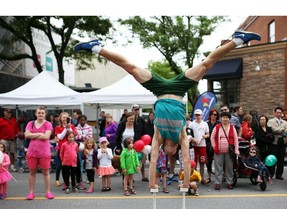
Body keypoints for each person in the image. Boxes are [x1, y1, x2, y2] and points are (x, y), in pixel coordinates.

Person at [74, 29, 261, 190]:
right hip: (179, 88)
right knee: (206, 65)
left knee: (131, 68)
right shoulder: (181, 137)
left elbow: (153, 161)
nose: (171, 155)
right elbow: (186, 161)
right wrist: (186, 182)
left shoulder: (158, 136)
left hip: (159, 90)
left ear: (165, 148)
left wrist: (151, 184)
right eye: (173, 154)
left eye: (169, 154)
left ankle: (95, 48)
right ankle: (238, 39)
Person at [24, 106, 54, 200]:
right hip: (32, 152)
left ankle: (48, 192)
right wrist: (40, 134)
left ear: (45, 114)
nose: (41, 114)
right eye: (39, 113)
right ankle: (31, 192)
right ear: (36, 114)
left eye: (42, 113)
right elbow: (26, 135)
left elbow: (46, 137)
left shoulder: (48, 124)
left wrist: (33, 135)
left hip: (44, 152)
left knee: (46, 172)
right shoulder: (30, 123)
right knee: (32, 172)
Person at [210, 111, 240, 190]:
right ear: (221, 118)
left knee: (229, 167)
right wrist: (214, 146)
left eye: (226, 118)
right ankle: (217, 183)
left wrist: (236, 149)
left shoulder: (232, 127)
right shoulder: (217, 127)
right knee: (218, 167)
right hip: (218, 151)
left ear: (229, 119)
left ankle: (229, 182)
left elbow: (236, 139)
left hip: (229, 151)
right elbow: (212, 137)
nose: (225, 119)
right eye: (223, 117)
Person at [55, 112, 77, 190]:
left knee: (70, 167)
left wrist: (69, 127)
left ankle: (68, 182)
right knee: (60, 166)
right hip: (62, 149)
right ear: (60, 118)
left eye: (66, 117)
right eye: (63, 117)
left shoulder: (73, 126)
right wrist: (65, 128)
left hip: (70, 150)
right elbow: (60, 137)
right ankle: (58, 179)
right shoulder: (58, 127)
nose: (65, 119)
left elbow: (74, 135)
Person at [267, 106, 287, 180]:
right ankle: (270, 173)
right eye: (277, 112)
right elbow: (272, 130)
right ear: (274, 113)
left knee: (281, 159)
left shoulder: (285, 122)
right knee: (272, 158)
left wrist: (281, 131)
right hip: (274, 142)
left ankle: (279, 174)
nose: (279, 114)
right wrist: (281, 130)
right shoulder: (270, 121)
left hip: (282, 141)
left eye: (280, 113)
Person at [189, 108, 210, 184]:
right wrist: (193, 140)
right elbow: (189, 134)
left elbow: (208, 134)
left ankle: (201, 178)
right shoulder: (192, 124)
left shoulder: (205, 124)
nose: (198, 116)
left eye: (199, 115)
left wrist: (205, 136)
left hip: (202, 145)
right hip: (194, 146)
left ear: (202, 115)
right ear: (195, 116)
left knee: (202, 162)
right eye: (196, 115)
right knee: (194, 163)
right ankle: (194, 178)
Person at [131, 104, 148, 182]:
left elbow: (145, 130)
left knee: (142, 160)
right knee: (132, 160)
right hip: (132, 142)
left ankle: (143, 176)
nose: (136, 111)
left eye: (137, 109)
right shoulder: (130, 119)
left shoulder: (141, 119)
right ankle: (132, 177)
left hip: (141, 142)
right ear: (132, 110)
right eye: (135, 109)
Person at [75, 114, 92, 189]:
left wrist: (80, 137)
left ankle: (88, 178)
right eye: (81, 120)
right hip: (78, 147)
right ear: (78, 120)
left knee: (88, 162)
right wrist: (83, 137)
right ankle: (80, 178)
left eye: (84, 120)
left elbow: (90, 137)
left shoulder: (89, 127)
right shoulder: (75, 128)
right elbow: (75, 137)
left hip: (87, 146)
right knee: (80, 163)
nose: (82, 121)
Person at [206, 109, 220, 184]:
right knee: (209, 161)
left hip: (217, 144)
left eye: (215, 115)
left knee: (218, 162)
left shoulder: (219, 124)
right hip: (208, 145)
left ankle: (218, 176)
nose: (213, 116)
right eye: (212, 114)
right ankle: (209, 176)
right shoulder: (207, 124)